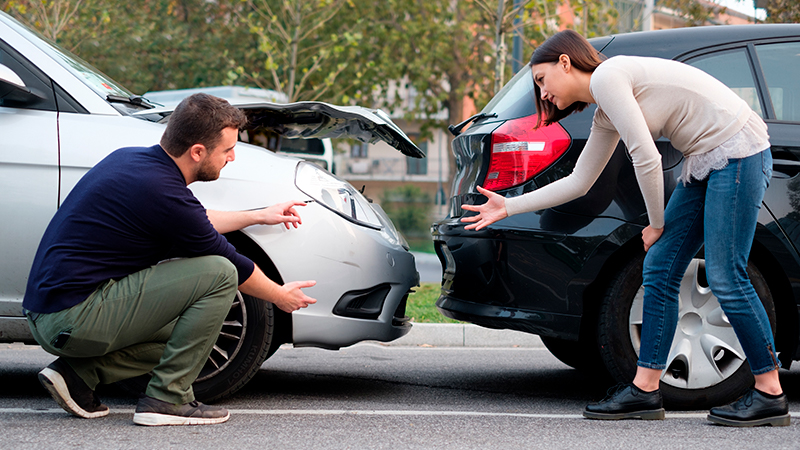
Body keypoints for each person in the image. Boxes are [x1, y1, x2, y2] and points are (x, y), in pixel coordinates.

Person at [461, 29, 787, 427]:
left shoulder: (608, 77)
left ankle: (770, 393)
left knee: (725, 274)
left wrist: (655, 224)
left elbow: (647, 159)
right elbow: (579, 182)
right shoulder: (605, 110)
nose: (542, 93)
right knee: (661, 268)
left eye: (542, 80)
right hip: (708, 160)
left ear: (565, 62)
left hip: (738, 153)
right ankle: (646, 390)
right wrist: (509, 206)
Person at [23, 93, 317, 426]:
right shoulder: (163, 192)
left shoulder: (133, 162)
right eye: (227, 150)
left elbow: (195, 219)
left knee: (193, 331)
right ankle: (166, 400)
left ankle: (77, 375)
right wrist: (280, 296)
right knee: (219, 272)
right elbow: (230, 260)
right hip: (72, 318)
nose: (232, 157)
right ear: (197, 152)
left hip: (53, 313)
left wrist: (259, 216)